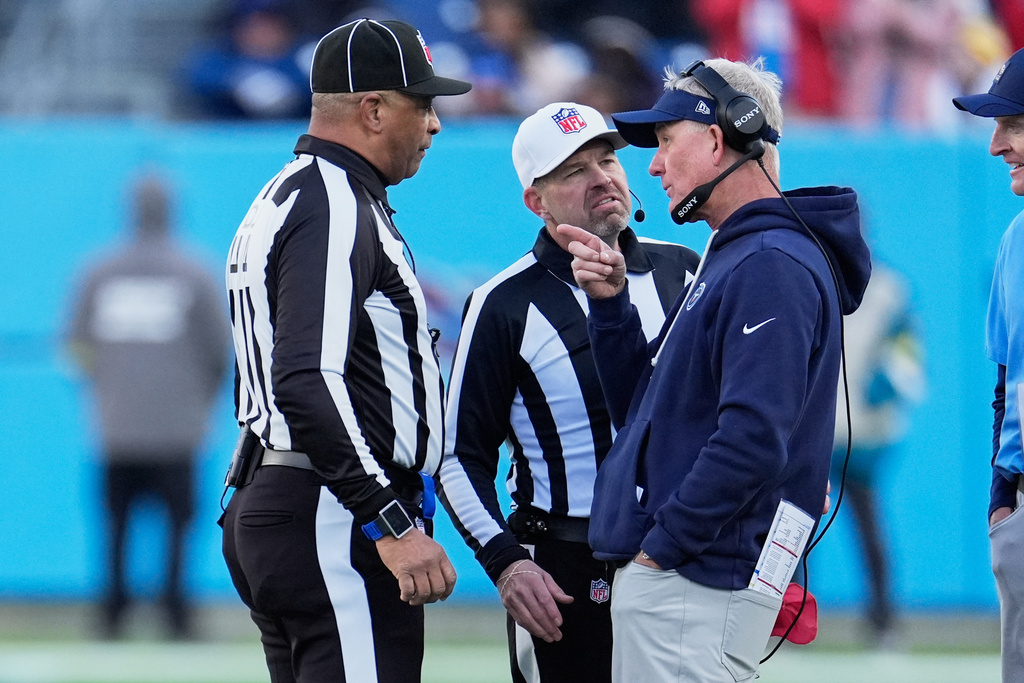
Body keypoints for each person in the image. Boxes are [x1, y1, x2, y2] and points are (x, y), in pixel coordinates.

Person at [558, 57, 871, 681]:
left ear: (720, 133)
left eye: (667, 141)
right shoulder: (745, 252)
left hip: (693, 580)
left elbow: (754, 437)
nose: (652, 165)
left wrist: (662, 551)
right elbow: (647, 417)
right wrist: (613, 310)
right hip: (692, 579)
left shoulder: (769, 261)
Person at [220, 18, 470, 683]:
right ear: (375, 108)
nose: (435, 125)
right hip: (329, 510)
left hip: (287, 493)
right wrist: (388, 519)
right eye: (424, 104)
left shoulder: (297, 192)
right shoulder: (330, 201)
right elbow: (306, 376)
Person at [438, 102, 699, 682]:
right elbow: (459, 456)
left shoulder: (683, 269)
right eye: (574, 170)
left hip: (679, 553)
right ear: (537, 199)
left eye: (608, 159)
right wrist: (505, 563)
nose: (603, 177)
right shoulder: (502, 303)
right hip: (565, 566)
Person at [66, 170, 230, 639]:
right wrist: (200, 402)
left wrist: (102, 390)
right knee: (178, 529)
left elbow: (75, 347)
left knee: (116, 526)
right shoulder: (194, 271)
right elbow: (219, 350)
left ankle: (111, 615)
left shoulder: (97, 272)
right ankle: (176, 615)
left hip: (116, 427)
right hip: (179, 428)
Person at [953, 46, 1024, 683]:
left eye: (1014, 124)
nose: (996, 144)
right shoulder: (1014, 239)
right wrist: (1003, 499)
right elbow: (1006, 380)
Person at [830, 261, 924, 647]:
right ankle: (784, 621)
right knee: (791, 532)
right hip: (811, 431)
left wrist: (884, 386)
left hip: (862, 433)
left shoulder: (888, 289)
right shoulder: (808, 274)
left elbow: (908, 356)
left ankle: (883, 623)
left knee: (869, 529)